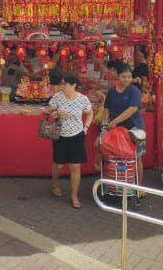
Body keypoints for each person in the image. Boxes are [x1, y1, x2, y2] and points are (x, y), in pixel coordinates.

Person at [48, 74, 93, 209]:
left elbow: (90, 113)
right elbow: (49, 113)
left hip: (77, 135)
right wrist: (57, 113)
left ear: (74, 85)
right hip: (60, 135)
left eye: (65, 84)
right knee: (59, 165)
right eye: (61, 84)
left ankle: (74, 195)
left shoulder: (82, 99)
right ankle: (54, 184)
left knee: (75, 166)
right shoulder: (57, 97)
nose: (62, 87)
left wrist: (85, 128)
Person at [103, 63, 146, 196]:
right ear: (118, 76)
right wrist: (105, 122)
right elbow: (106, 107)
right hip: (116, 131)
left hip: (134, 130)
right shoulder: (112, 91)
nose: (126, 79)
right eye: (123, 76)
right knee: (115, 157)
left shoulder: (134, 91)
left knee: (135, 157)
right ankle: (115, 184)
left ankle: (138, 187)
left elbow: (132, 109)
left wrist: (114, 121)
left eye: (129, 77)